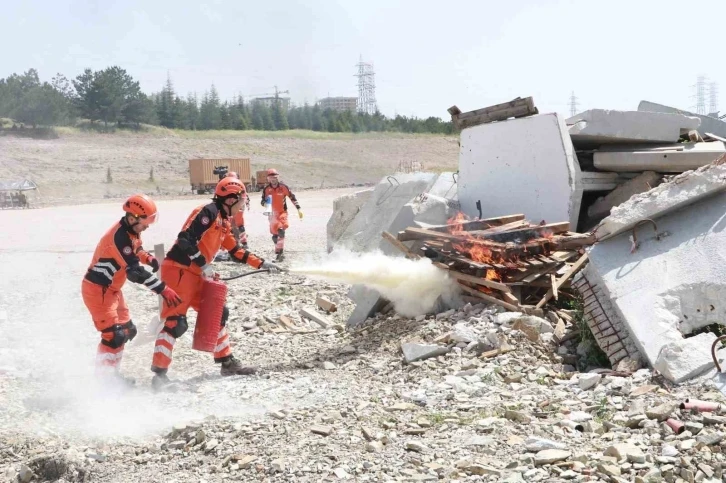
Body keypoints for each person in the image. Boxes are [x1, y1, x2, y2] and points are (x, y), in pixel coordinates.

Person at [150, 176, 281, 390]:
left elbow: (236, 251)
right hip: (179, 271)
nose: (242, 206)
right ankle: (159, 376)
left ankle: (226, 362)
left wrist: (262, 264)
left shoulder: (224, 221)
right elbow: (185, 240)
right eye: (240, 201)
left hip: (197, 273)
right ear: (229, 199)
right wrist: (204, 265)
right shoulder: (208, 212)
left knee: (219, 312)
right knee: (175, 323)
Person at [82, 194, 182, 385]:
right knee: (113, 335)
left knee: (127, 331)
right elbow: (135, 273)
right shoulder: (118, 238)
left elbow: (136, 250)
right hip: (98, 291)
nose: (147, 226)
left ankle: (111, 374)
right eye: (145, 222)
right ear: (133, 217)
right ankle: (104, 381)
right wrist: (163, 289)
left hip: (112, 291)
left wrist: (148, 258)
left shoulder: (131, 232)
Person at [260, 168, 303, 261]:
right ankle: (279, 252)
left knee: (281, 230)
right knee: (274, 236)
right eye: (271, 178)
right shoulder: (266, 189)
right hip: (272, 214)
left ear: (277, 178)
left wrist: (298, 209)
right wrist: (265, 203)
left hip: (282, 213)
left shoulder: (283, 187)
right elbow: (262, 201)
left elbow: (292, 197)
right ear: (268, 179)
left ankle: (280, 254)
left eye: (275, 177)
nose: (273, 179)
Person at [224, 172, 250, 249]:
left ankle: (243, 242)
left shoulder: (237, 186)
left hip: (237, 207)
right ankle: (239, 242)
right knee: (234, 225)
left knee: (238, 225)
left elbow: (243, 195)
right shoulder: (238, 185)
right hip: (233, 207)